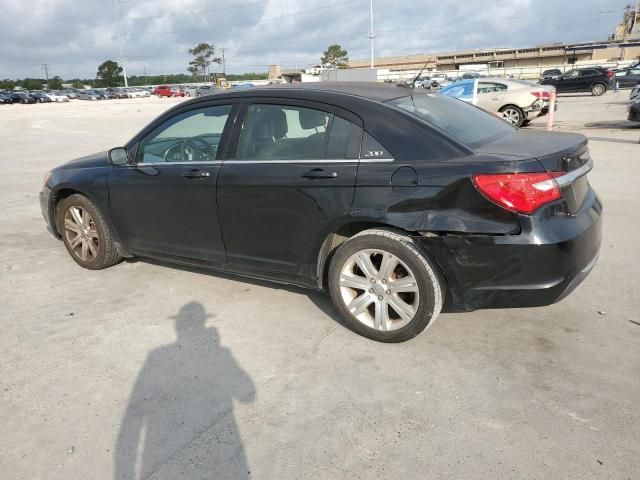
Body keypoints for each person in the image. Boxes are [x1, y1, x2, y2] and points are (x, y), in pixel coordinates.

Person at [114, 302, 255, 479]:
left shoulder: (156, 356)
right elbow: (247, 394)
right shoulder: (221, 353)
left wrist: (122, 472)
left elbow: (133, 416)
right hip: (215, 457)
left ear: (178, 325)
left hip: (160, 452)